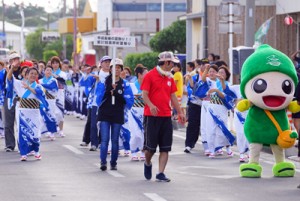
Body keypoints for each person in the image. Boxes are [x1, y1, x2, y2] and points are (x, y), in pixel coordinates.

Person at [141, 51, 186, 182]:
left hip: (166, 116)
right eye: (172, 63)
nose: (173, 65)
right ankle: (147, 163)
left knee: (165, 147)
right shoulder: (150, 76)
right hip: (151, 116)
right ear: (166, 63)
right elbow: (144, 94)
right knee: (150, 148)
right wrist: (151, 105)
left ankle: (160, 173)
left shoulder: (170, 78)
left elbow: (173, 96)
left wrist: (180, 112)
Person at [96, 58, 134, 171]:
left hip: (117, 114)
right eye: (114, 67)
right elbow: (98, 99)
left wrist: (117, 93)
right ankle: (103, 162)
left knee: (115, 140)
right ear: (110, 69)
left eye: (119, 68)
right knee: (104, 140)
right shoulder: (103, 82)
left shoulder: (125, 84)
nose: (116, 70)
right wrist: (108, 91)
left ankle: (113, 162)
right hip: (105, 114)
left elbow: (129, 101)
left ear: (121, 70)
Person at [6, 67, 48, 161]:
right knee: (23, 133)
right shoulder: (20, 84)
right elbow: (9, 79)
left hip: (34, 112)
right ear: (27, 75)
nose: (33, 75)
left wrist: (29, 87)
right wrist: (12, 68)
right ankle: (24, 154)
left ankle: (36, 152)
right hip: (23, 112)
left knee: (35, 133)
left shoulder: (39, 86)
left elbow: (38, 93)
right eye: (31, 73)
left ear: (37, 76)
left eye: (35, 74)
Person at [3, 51, 22, 152]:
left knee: (20, 122)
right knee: (8, 123)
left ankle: (22, 144)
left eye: (18, 59)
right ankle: (10, 145)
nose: (17, 61)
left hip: (20, 99)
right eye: (15, 59)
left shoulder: (22, 71)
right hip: (9, 99)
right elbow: (7, 80)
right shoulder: (4, 72)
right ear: (10, 61)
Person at [128, 64, 148, 161]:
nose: (147, 75)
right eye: (145, 73)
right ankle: (134, 151)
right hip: (134, 112)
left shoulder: (148, 86)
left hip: (145, 112)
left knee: (145, 133)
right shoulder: (131, 85)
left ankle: (143, 150)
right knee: (135, 133)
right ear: (139, 75)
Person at [39, 65, 59, 140]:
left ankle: (52, 133)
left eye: (50, 70)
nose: (49, 72)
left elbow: (51, 87)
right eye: (47, 70)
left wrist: (41, 85)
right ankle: (43, 131)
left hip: (51, 100)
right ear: (44, 71)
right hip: (43, 101)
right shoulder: (40, 81)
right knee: (41, 117)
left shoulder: (54, 80)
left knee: (51, 116)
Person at [51, 56, 67, 137]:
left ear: (59, 64)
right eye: (53, 63)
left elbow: (63, 81)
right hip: (51, 94)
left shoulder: (62, 73)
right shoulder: (48, 72)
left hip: (60, 93)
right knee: (52, 112)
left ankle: (61, 130)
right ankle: (52, 130)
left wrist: (54, 76)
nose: (55, 65)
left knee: (60, 113)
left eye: (56, 63)